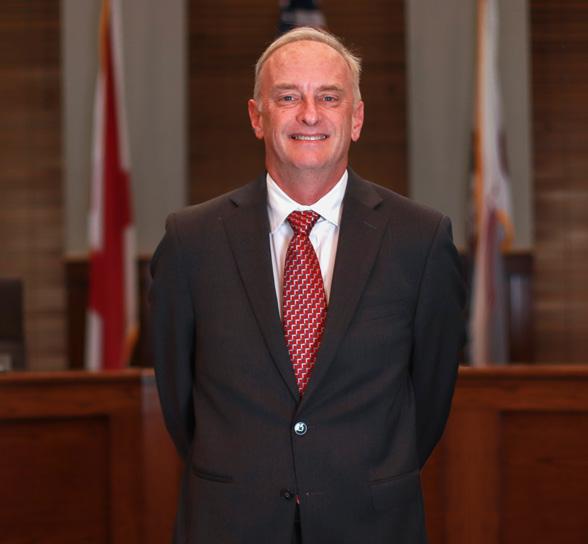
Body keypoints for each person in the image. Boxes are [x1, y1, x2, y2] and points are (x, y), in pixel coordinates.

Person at [150, 26, 465, 544]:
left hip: (371, 523)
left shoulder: (421, 239)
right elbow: (178, 400)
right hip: (231, 524)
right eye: (288, 97)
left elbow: (430, 397)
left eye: (329, 98)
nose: (310, 115)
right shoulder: (191, 241)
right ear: (257, 116)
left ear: (356, 118)